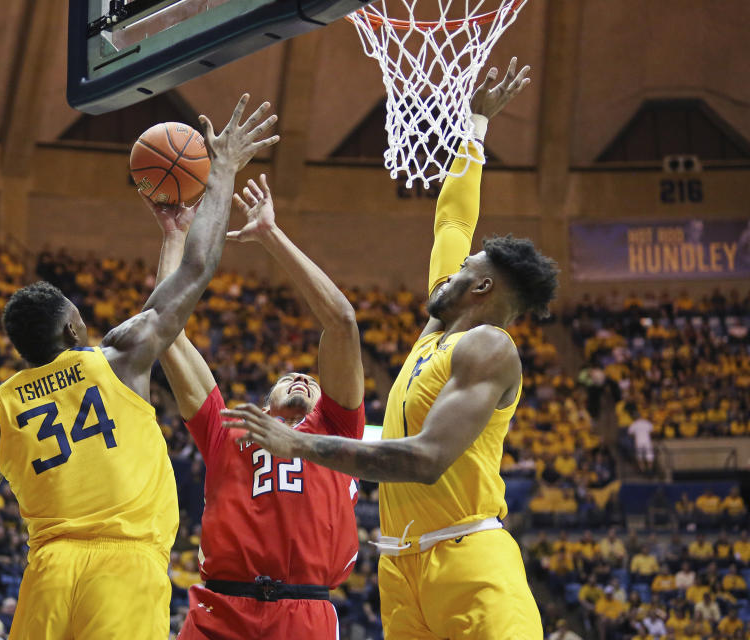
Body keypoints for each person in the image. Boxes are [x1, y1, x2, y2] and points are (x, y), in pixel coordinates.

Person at [218, 59, 551, 638]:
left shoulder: (488, 348)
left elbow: (422, 461)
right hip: (399, 568)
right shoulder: (438, 328)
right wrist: (474, 123)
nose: (443, 275)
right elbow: (453, 221)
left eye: (463, 271)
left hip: (469, 560)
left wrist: (300, 442)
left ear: (482, 288)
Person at [0, 93, 279, 639]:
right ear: (72, 328)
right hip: (124, 566)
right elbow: (199, 268)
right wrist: (223, 170)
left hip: (48, 573)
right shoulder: (119, 359)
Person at [151, 172, 364, 639]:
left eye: (309, 380)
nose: (302, 379)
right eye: (290, 378)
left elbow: (342, 322)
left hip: (303, 612)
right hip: (219, 610)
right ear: (264, 402)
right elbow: (164, 331)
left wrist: (270, 234)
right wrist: (175, 235)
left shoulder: (337, 430)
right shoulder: (228, 428)